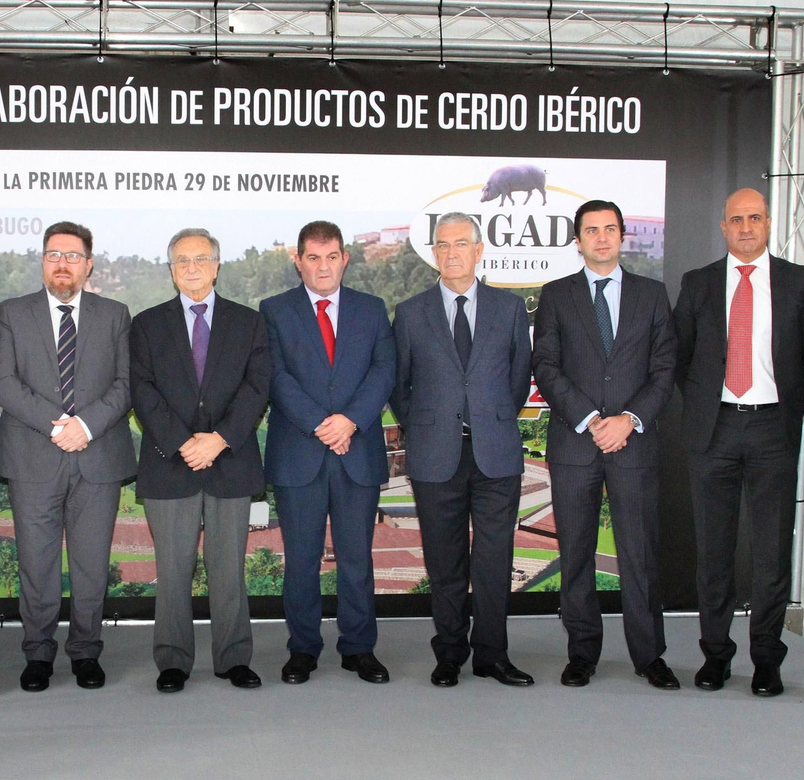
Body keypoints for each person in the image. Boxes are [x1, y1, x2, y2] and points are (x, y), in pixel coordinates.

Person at [673, 188, 804, 696]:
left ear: (769, 222)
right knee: (714, 552)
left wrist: (787, 412)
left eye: (754, 217)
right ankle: (715, 657)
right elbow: (683, 358)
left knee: (771, 552)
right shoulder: (697, 284)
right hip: (712, 429)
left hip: (772, 430)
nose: (745, 227)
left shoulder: (801, 283)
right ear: (722, 226)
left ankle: (767, 660)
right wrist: (703, 408)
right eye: (735, 218)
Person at [531, 199, 679, 690]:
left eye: (609, 229)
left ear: (622, 237)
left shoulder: (652, 294)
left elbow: (663, 369)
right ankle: (582, 654)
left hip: (633, 444)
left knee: (639, 554)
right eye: (591, 230)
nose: (601, 237)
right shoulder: (555, 295)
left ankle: (649, 655)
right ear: (578, 240)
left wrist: (629, 420)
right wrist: (593, 418)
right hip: (576, 444)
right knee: (575, 553)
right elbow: (546, 367)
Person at [0, 222, 136, 692]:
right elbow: (2, 382)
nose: (62, 263)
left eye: (73, 256)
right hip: (33, 456)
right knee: (37, 564)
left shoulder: (115, 314)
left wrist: (86, 426)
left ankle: (86, 652)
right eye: (54, 254)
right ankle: (38, 654)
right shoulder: (12, 312)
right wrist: (60, 425)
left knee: (92, 565)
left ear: (88, 264)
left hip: (99, 456)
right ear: (42, 261)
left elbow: (126, 385)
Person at [390, 212, 534, 688]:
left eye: (460, 244)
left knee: (494, 562)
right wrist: (427, 427)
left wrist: (489, 419)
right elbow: (400, 386)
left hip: (495, 453)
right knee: (445, 560)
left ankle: (492, 655)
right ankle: (449, 653)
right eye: (442, 245)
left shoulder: (510, 310)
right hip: (436, 456)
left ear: (479, 250)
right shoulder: (411, 313)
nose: (451, 252)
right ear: (434, 254)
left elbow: (516, 384)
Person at [130, 228, 271, 693]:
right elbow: (143, 392)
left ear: (216, 265)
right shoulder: (147, 325)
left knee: (228, 567)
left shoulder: (248, 322)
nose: (192, 267)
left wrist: (221, 439)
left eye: (201, 259)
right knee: (173, 570)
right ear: (171, 270)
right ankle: (172, 660)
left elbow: (258, 388)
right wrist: (185, 442)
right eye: (182, 261)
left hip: (230, 461)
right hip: (170, 463)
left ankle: (234, 659)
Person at [261, 221, 396, 685]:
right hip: (300, 452)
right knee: (300, 559)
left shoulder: (373, 309)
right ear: (298, 260)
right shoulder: (274, 311)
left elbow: (384, 372)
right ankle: (303, 649)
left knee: (357, 558)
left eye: (332, 256)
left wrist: (350, 421)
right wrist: (322, 424)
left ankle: (359, 648)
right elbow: (276, 377)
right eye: (313, 257)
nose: (323, 266)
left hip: (356, 451)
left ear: (345, 259)